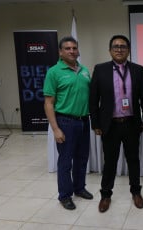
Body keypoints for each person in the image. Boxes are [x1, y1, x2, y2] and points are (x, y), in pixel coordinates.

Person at [89, 35, 143, 213]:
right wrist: (96, 124)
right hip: (110, 125)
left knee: (133, 160)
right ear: (110, 50)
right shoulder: (100, 69)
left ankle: (136, 192)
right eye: (116, 46)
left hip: (131, 123)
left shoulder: (138, 70)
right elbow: (93, 99)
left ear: (128, 50)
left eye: (123, 46)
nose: (119, 49)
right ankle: (106, 195)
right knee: (110, 162)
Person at [43, 36, 93, 210]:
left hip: (84, 121)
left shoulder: (85, 70)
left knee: (82, 158)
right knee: (66, 161)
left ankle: (79, 188)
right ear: (60, 52)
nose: (72, 51)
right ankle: (65, 195)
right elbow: (48, 103)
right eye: (67, 48)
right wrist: (55, 128)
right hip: (65, 121)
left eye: (74, 48)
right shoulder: (54, 72)